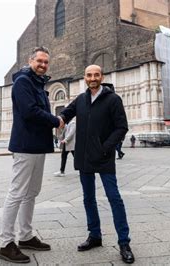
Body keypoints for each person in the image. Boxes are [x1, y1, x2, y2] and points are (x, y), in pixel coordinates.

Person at [60, 65, 135, 264]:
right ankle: (94, 236)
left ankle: (124, 242)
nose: (92, 78)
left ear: (102, 77)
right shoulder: (81, 99)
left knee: (114, 198)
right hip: (84, 157)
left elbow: (121, 127)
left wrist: (106, 147)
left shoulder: (113, 99)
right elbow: (65, 114)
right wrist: (54, 119)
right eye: (89, 75)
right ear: (84, 77)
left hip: (103, 157)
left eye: (96, 75)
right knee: (88, 199)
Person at [0, 46, 63, 263]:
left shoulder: (38, 83)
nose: (43, 65)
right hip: (25, 145)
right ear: (30, 61)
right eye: (40, 61)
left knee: (31, 192)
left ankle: (25, 236)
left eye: (46, 62)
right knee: (17, 193)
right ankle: (6, 243)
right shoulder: (23, 82)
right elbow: (29, 112)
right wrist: (56, 121)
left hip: (38, 145)